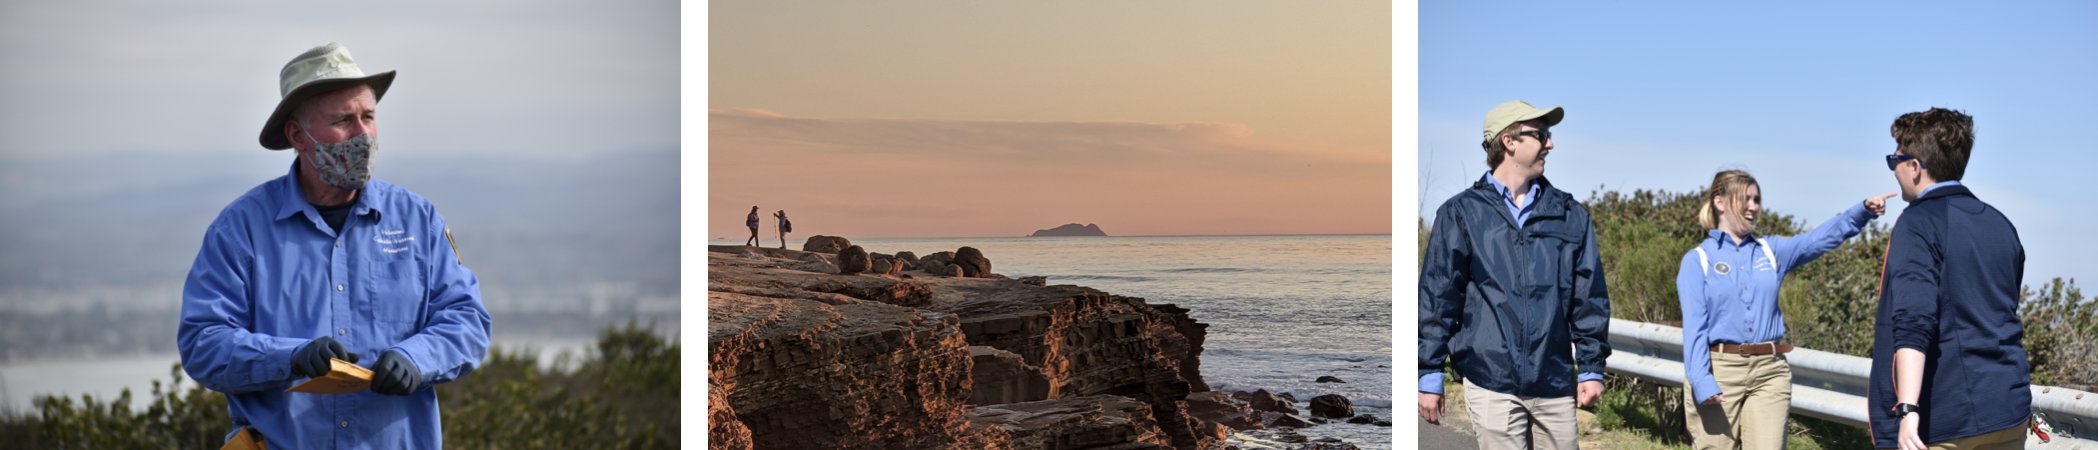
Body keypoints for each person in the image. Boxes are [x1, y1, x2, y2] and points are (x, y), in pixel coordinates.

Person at [177, 42, 492, 450]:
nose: (362, 134)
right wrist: (289, 357)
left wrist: (418, 357)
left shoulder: (419, 220)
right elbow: (203, 343)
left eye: (368, 116)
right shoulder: (241, 229)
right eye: (343, 120)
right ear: (297, 136)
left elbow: (467, 320)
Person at [1419, 100, 1611, 450]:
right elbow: (1438, 298)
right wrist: (1429, 374)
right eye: (1541, 135)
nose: (1549, 144)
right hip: (1490, 379)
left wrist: (1591, 368)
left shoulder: (1570, 215)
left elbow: (1589, 299)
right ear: (1509, 141)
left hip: (1553, 380)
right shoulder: (1461, 213)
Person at [1676, 169, 1894, 450]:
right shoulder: (1698, 260)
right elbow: (1694, 329)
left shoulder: (1772, 251)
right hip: (1719, 370)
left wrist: (1861, 212)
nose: (1753, 206)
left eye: (1757, 199)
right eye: (1746, 199)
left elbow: (1818, 240)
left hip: (1770, 370)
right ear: (1720, 202)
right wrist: (1701, 380)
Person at [1868, 107, 2031, 450]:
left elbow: (1914, 319)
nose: (1893, 170)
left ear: (1915, 167)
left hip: (1947, 418)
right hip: (2008, 409)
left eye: (1893, 160)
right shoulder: (2000, 224)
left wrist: (1908, 409)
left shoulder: (1917, 223)